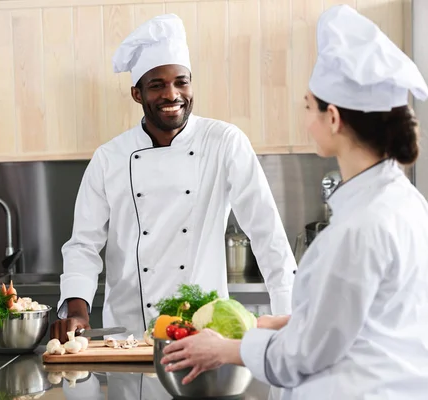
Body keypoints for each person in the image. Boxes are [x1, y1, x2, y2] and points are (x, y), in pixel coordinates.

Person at [161, 5, 428, 399]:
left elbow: (302, 357)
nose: (304, 119)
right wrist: (285, 323)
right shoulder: (405, 202)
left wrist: (226, 350)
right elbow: (366, 319)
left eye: (307, 106)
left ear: (333, 118)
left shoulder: (359, 228)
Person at [51, 14, 296, 343]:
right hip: (129, 333)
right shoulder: (109, 158)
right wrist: (77, 309)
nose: (172, 94)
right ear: (137, 94)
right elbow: (83, 245)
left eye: (181, 81)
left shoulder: (223, 142)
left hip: (205, 332)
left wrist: (289, 316)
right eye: (157, 85)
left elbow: (267, 233)